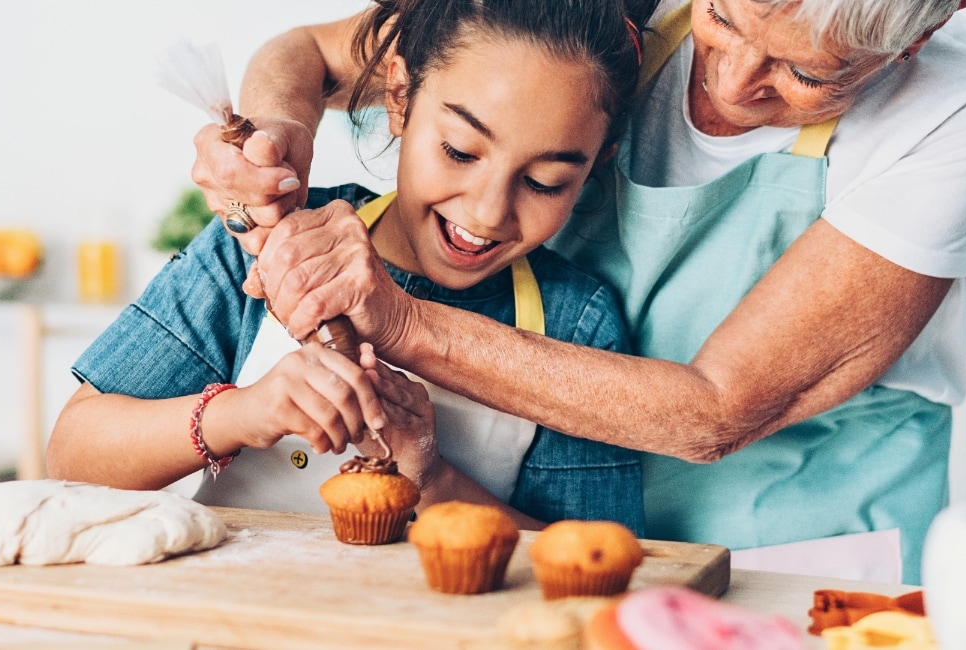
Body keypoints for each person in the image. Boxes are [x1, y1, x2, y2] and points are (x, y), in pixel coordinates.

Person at [194, 0, 966, 583]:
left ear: (930, 24)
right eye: (722, 17)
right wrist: (277, 140)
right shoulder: (615, 11)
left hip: (803, 553)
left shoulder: (963, 110)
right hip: (562, 536)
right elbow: (307, 54)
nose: (733, 80)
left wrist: (400, 319)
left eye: (807, 74)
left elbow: (717, 412)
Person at [47, 0, 650, 532]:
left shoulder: (577, 324)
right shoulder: (271, 239)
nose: (489, 212)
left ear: (596, 166)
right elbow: (73, 456)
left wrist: (431, 478)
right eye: (460, 151)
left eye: (546, 182)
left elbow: (595, 559)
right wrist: (243, 412)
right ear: (399, 97)